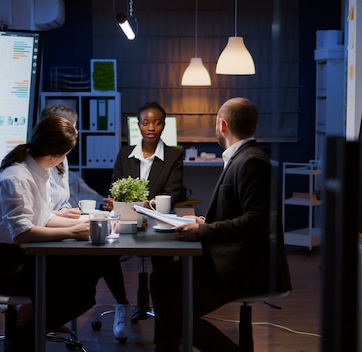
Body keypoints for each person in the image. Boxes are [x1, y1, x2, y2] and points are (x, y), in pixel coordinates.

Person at [149, 97, 292, 352]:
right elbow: (239, 213)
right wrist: (203, 221)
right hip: (229, 260)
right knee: (159, 279)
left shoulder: (252, 161)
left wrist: (203, 230)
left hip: (244, 268)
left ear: (222, 125)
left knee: (174, 313)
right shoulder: (241, 158)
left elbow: (257, 221)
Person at [0, 115, 103, 351]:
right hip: (5, 267)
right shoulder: (16, 178)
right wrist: (73, 233)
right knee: (81, 293)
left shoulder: (38, 171)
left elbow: (42, 217)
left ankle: (27, 333)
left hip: (26, 258)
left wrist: (73, 227)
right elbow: (22, 233)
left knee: (88, 275)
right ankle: (22, 340)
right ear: (57, 155)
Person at [41, 103, 132, 341]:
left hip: (59, 226)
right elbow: (40, 213)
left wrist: (74, 213)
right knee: (101, 254)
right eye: (73, 128)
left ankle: (53, 314)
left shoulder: (62, 160)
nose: (77, 134)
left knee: (104, 247)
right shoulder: (38, 165)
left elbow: (61, 201)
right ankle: (43, 315)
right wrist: (68, 221)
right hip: (45, 238)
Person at [100, 101, 185, 334]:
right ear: (138, 126)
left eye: (156, 123)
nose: (151, 127)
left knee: (164, 262)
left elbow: (173, 193)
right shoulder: (125, 153)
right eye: (145, 123)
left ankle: (165, 316)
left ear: (163, 126)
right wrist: (112, 201)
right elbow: (114, 187)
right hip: (126, 220)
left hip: (157, 222)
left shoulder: (174, 155)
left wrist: (150, 203)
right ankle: (122, 304)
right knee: (105, 255)